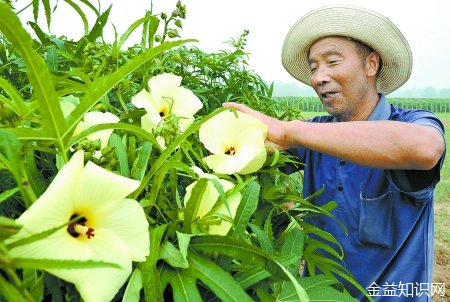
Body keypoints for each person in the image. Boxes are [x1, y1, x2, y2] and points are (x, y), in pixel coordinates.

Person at [224, 5, 446, 301]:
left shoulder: (411, 123)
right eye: (314, 67)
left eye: (332, 61)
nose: (318, 77)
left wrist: (289, 132)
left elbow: (424, 148)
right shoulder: (316, 134)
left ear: (371, 64)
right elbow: (250, 154)